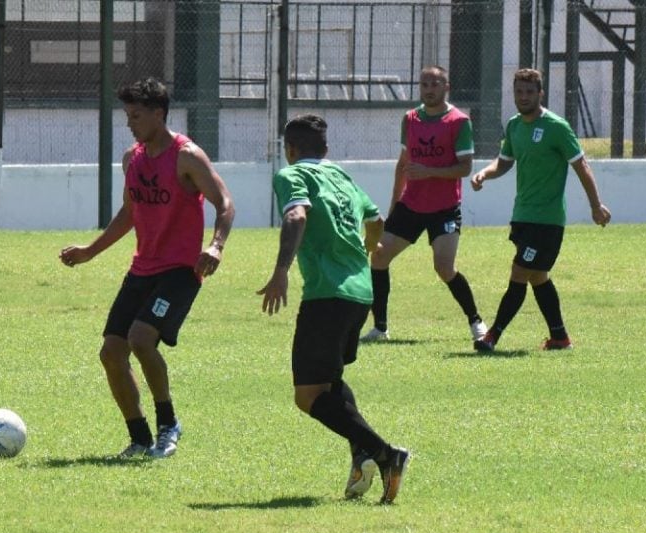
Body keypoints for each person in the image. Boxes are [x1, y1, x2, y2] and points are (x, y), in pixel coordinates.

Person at [59, 77, 235, 458]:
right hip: (142, 269)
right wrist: (91, 251)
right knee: (111, 352)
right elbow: (129, 213)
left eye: (136, 115)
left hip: (181, 271)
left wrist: (216, 246)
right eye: (127, 115)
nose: (130, 123)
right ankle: (139, 438)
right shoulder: (132, 159)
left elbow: (224, 202)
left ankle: (168, 423)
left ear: (159, 114)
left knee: (141, 339)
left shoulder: (187, 156)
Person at [257, 114, 409, 504]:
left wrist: (280, 271)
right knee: (329, 381)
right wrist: (366, 250)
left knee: (307, 395)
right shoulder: (343, 178)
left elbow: (296, 215)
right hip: (360, 292)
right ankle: (362, 453)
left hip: (326, 294)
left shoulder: (291, 176)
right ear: (325, 149)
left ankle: (385, 453)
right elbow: (376, 222)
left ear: (290, 149)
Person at [471, 68, 611, 352]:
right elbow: (505, 161)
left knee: (519, 271)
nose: (523, 97)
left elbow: (581, 165)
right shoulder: (513, 125)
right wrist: (485, 173)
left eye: (529, 92)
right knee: (538, 276)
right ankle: (559, 337)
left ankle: (492, 336)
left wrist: (596, 206)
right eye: (519, 92)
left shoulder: (556, 127)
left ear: (540, 93)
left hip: (547, 222)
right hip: (522, 216)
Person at [361, 65, 487, 343]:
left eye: (435, 84)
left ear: (446, 87)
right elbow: (403, 164)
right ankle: (380, 328)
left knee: (444, 268)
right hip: (411, 205)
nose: (429, 90)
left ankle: (476, 321)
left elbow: (465, 168)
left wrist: (429, 172)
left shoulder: (458, 121)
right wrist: (394, 205)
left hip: (444, 208)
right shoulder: (410, 119)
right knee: (379, 256)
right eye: (425, 85)